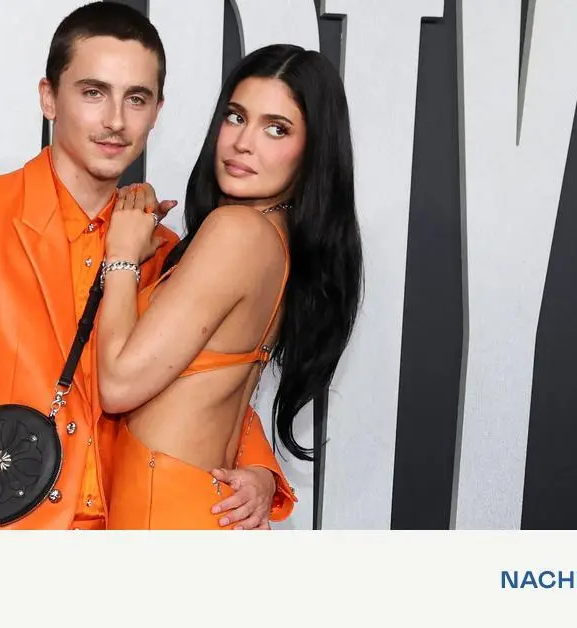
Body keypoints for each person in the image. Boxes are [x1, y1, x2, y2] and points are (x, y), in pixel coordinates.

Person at [0, 2, 296, 530]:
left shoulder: (162, 247)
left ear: (157, 111)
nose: (116, 121)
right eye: (93, 92)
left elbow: (201, 378)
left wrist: (259, 468)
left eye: (136, 98)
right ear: (48, 97)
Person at [96, 44, 363, 529]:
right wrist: (262, 470)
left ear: (313, 151)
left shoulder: (237, 232)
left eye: (276, 129)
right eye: (236, 117)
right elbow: (213, 392)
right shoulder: (276, 241)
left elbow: (116, 386)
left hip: (162, 505)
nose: (243, 143)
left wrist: (121, 255)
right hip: (193, 501)